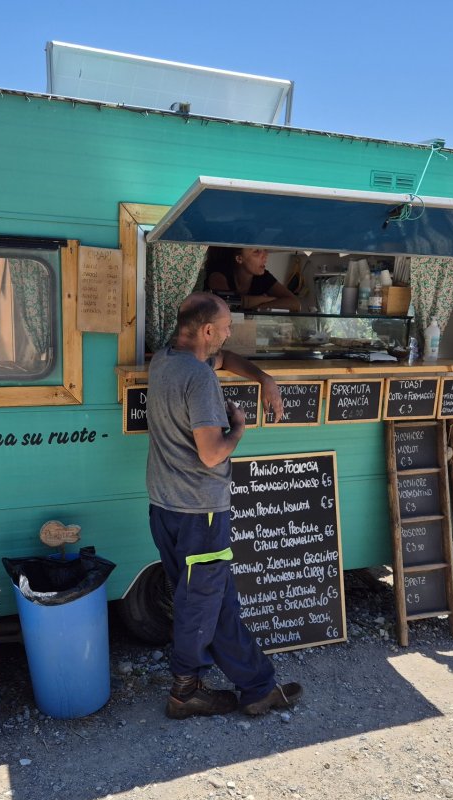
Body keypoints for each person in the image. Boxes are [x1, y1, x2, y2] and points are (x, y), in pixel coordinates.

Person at [146, 292, 302, 718]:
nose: (231, 332)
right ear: (207, 330)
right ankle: (184, 691)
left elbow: (227, 357)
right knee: (201, 605)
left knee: (217, 601)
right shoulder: (199, 379)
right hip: (201, 513)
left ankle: (257, 687)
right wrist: (238, 429)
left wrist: (263, 377)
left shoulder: (164, 361)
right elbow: (212, 453)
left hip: (166, 507)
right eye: (227, 325)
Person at [204, 246, 301, 311]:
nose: (265, 255)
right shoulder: (219, 274)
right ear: (239, 258)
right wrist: (268, 299)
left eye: (265, 250)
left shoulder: (263, 277)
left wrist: (257, 308)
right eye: (256, 251)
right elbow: (226, 304)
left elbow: (295, 304)